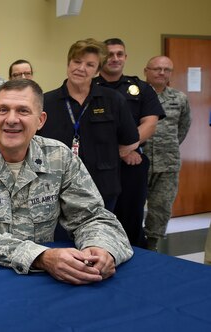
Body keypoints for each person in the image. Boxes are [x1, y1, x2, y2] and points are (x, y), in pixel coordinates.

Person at [0, 79, 133, 285]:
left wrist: (101, 249)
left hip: (45, 280)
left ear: (41, 120)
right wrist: (41, 257)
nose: (11, 119)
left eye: (23, 111)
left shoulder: (59, 157)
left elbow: (92, 217)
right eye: (3, 110)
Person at [37, 38, 139, 213]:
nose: (81, 68)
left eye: (90, 65)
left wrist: (111, 155)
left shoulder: (113, 100)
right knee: (60, 241)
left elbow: (131, 140)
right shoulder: (46, 102)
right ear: (68, 63)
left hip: (102, 189)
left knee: (98, 239)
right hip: (56, 191)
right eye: (77, 61)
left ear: (97, 70)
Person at [94, 38, 166, 247]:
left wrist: (126, 148)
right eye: (109, 54)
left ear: (125, 57)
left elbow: (150, 123)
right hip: (96, 165)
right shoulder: (89, 87)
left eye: (119, 54)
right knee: (99, 216)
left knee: (131, 218)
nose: (114, 58)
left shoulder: (141, 88)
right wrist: (116, 152)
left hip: (131, 163)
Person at [142, 56, 191, 251]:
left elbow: (184, 127)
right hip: (138, 160)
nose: (162, 73)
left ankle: (152, 244)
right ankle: (129, 241)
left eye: (166, 70)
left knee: (161, 208)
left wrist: (168, 146)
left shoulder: (180, 99)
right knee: (131, 206)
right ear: (146, 71)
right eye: (157, 69)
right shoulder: (136, 95)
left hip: (168, 163)